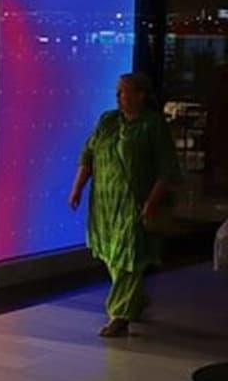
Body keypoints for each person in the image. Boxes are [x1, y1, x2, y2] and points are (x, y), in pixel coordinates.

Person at [70, 73, 180, 338]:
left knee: (127, 256)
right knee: (112, 255)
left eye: (126, 92)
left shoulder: (153, 125)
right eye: (118, 92)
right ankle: (134, 301)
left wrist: (152, 202)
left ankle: (119, 314)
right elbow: (88, 155)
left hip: (134, 204)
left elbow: (167, 169)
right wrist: (77, 188)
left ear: (141, 95)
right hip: (105, 204)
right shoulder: (108, 120)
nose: (120, 97)